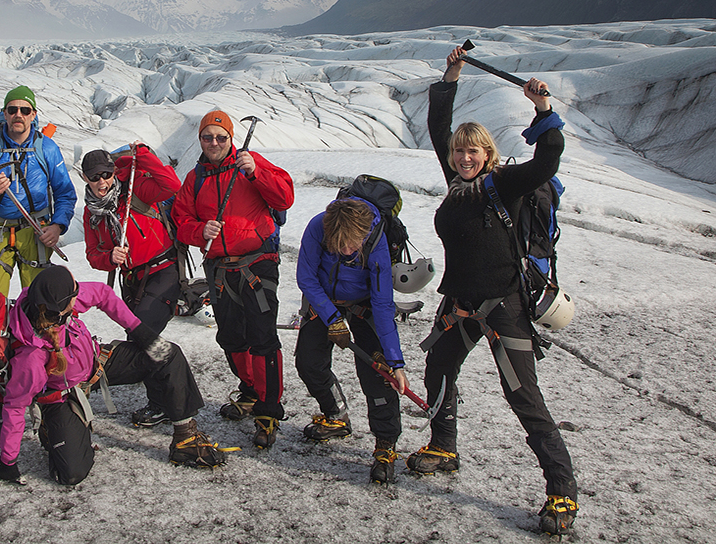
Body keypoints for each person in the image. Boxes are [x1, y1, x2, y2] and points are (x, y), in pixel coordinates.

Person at [409, 45, 578, 535]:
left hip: (503, 306)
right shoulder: (457, 183)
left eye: (472, 151)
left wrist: (542, 109)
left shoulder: (505, 184)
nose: (462, 157)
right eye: (458, 151)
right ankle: (444, 446)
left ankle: (561, 492)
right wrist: (452, 73)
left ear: (488, 154)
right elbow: (439, 123)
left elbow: (547, 161)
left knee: (523, 395)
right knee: (438, 369)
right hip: (459, 303)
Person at [0, 265, 228, 486]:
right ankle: (51, 426)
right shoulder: (31, 359)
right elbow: (15, 406)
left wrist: (138, 330)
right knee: (71, 473)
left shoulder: (51, 302)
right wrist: (8, 462)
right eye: (75, 292)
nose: (79, 293)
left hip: (97, 363)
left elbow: (103, 294)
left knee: (166, 353)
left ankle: (185, 437)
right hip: (62, 397)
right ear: (62, 306)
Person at [171, 109, 295, 449]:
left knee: (262, 336)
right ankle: (251, 391)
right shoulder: (195, 178)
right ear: (200, 140)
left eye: (220, 137)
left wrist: (257, 175)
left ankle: (269, 409)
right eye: (208, 137)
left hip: (258, 264)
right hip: (221, 269)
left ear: (231, 139)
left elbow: (284, 196)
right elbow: (181, 220)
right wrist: (200, 230)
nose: (214, 143)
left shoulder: (250, 163)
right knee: (231, 337)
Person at [294, 197, 409, 484]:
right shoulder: (318, 228)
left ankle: (385, 444)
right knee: (308, 362)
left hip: (366, 304)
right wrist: (333, 318)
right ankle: (336, 414)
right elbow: (306, 278)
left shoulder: (376, 240)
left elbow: (383, 303)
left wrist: (394, 361)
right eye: (339, 245)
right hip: (323, 298)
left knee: (376, 374)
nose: (346, 251)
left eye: (352, 245)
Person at [81, 143, 184, 427]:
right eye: (95, 176)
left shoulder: (136, 189)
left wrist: (142, 156)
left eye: (107, 173)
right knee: (139, 338)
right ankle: (162, 397)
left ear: (115, 172)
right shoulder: (92, 213)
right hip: (131, 280)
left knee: (143, 333)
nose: (102, 181)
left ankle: (163, 403)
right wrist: (108, 257)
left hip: (163, 270)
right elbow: (92, 254)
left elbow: (171, 184)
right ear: (85, 179)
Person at [0, 86, 77, 298]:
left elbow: (65, 193)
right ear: (4, 113)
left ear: (33, 114)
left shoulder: (47, 148)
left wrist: (58, 226)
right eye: (12, 110)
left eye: (24, 110)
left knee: (41, 304)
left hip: (36, 232)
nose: (18, 115)